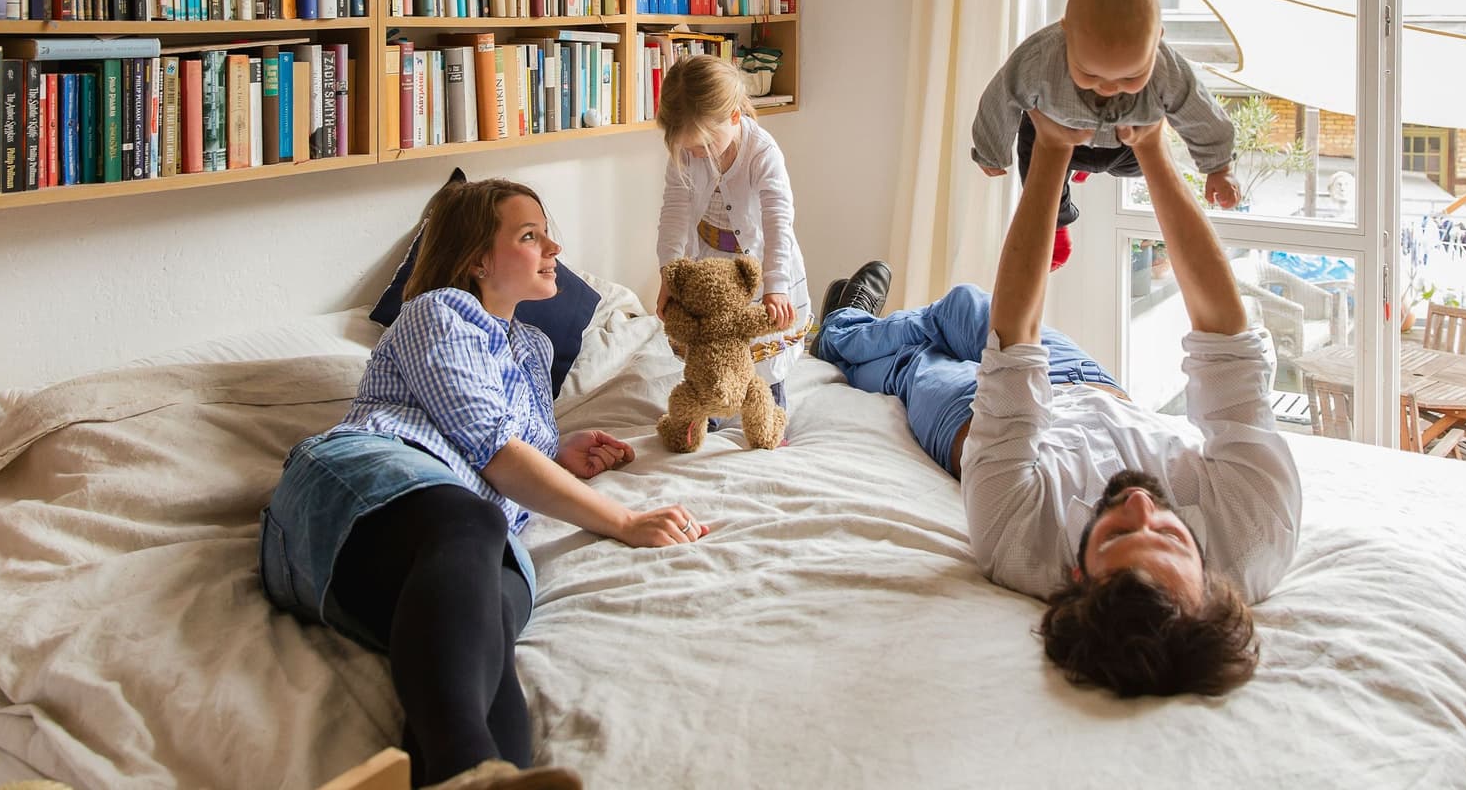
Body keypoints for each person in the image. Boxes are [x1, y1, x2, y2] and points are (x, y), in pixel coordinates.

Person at [817, 113, 1301, 698]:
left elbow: (1013, 341)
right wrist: (1150, 149)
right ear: (1208, 578)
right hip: (1092, 388)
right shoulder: (1257, 533)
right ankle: (852, 327)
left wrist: (1050, 152)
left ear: (1076, 574)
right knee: (967, 306)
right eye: (1172, 535)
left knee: (904, 364)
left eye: (1119, 532)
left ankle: (841, 330)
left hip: (978, 420)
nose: (1144, 504)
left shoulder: (1017, 543)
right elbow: (1227, 343)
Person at [260, 177, 710, 790]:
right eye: (529, 235)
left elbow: (508, 444)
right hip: (359, 495)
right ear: (476, 258)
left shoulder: (530, 349)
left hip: (448, 547)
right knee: (473, 519)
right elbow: (492, 450)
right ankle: (471, 771)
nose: (554, 247)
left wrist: (557, 451)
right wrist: (624, 521)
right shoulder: (438, 311)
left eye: (547, 232)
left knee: (494, 621)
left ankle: (468, 774)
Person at [969, 0, 1240, 270]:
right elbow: (1002, 95)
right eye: (1091, 73)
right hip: (1058, 136)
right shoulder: (1039, 57)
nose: (1110, 87)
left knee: (1145, 165)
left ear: (1157, 41)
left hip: (1127, 141)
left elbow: (1199, 111)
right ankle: (1057, 224)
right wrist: (991, 150)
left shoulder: (1167, 69)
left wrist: (1219, 166)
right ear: (1065, 32)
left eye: (1131, 76)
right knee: (1035, 167)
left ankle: (1091, 167)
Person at [654, 53, 812, 445]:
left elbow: (778, 221)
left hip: (754, 268)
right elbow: (673, 211)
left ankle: (769, 407)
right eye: (689, 149)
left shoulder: (762, 154)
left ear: (735, 119)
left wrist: (775, 284)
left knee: (761, 343)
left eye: (704, 147)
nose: (696, 156)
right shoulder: (685, 153)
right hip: (709, 263)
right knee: (709, 341)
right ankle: (709, 404)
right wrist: (670, 273)